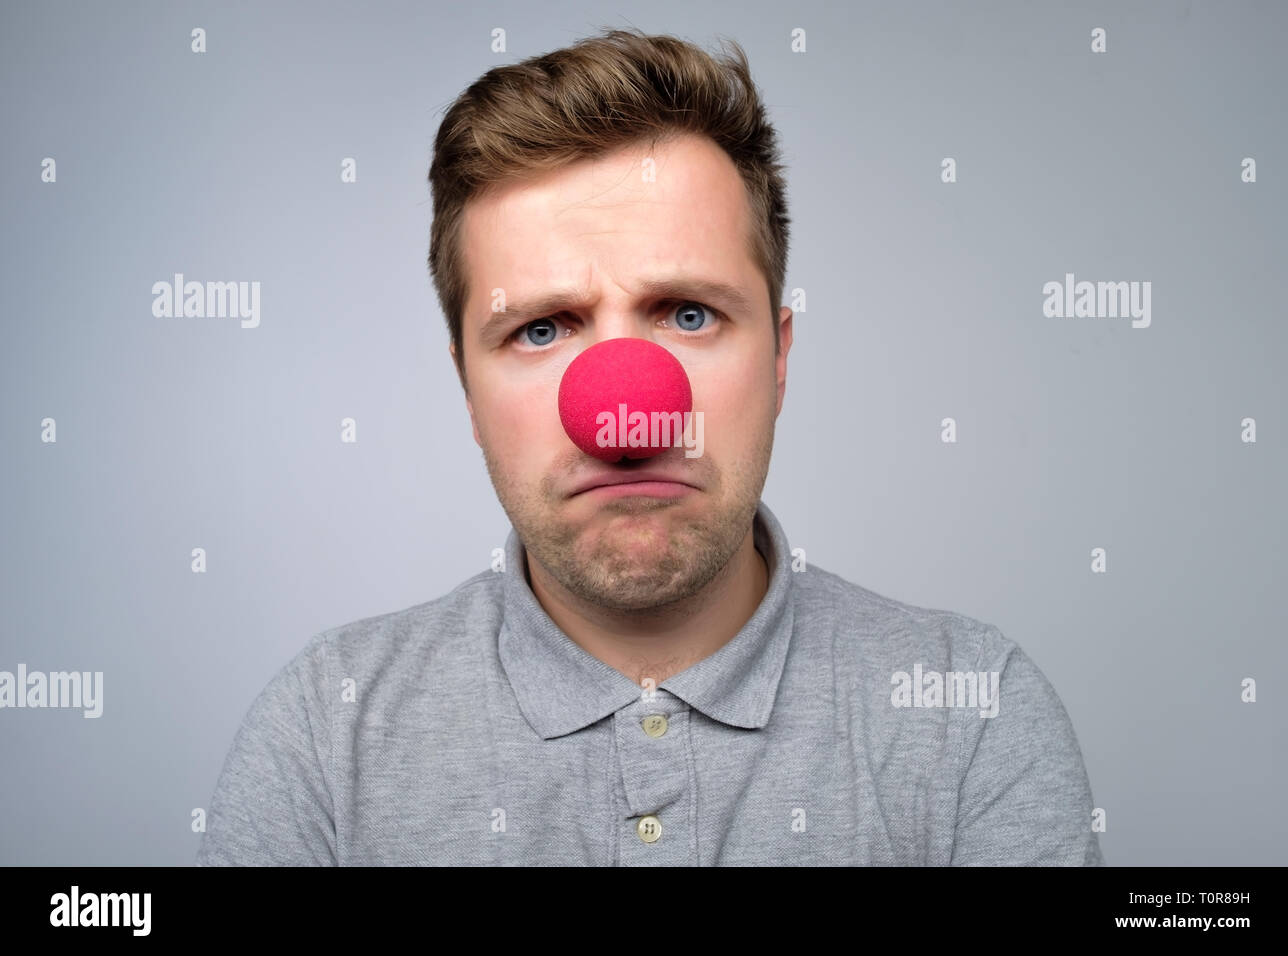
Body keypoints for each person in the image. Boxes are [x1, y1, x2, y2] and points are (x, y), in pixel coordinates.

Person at [197, 27, 1102, 866]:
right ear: (467, 390)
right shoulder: (327, 728)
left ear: (780, 357)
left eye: (690, 314)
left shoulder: (969, 712)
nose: (626, 411)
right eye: (543, 330)